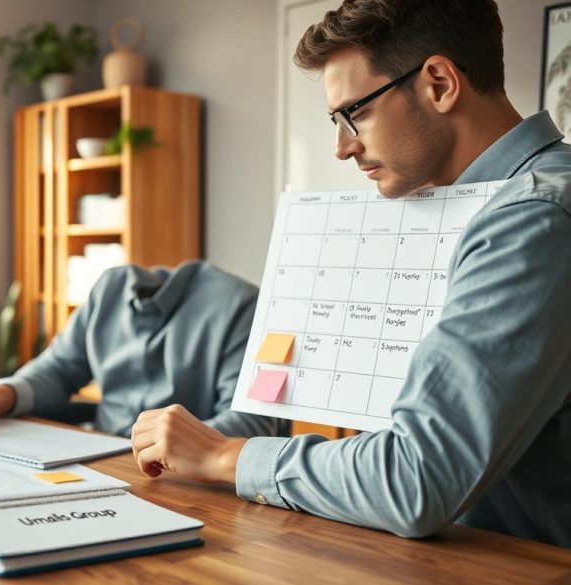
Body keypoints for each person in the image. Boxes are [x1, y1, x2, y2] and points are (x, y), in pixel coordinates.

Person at [130, 0, 571, 548]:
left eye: (355, 112)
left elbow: (416, 477)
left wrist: (224, 454)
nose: (342, 147)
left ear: (438, 83)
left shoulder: (534, 219)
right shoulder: (473, 209)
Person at [0, 260, 282, 439]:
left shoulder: (243, 306)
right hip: (105, 462)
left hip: (191, 485)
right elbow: (59, 367)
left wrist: (182, 447)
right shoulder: (110, 288)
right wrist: (3, 394)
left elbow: (254, 421)